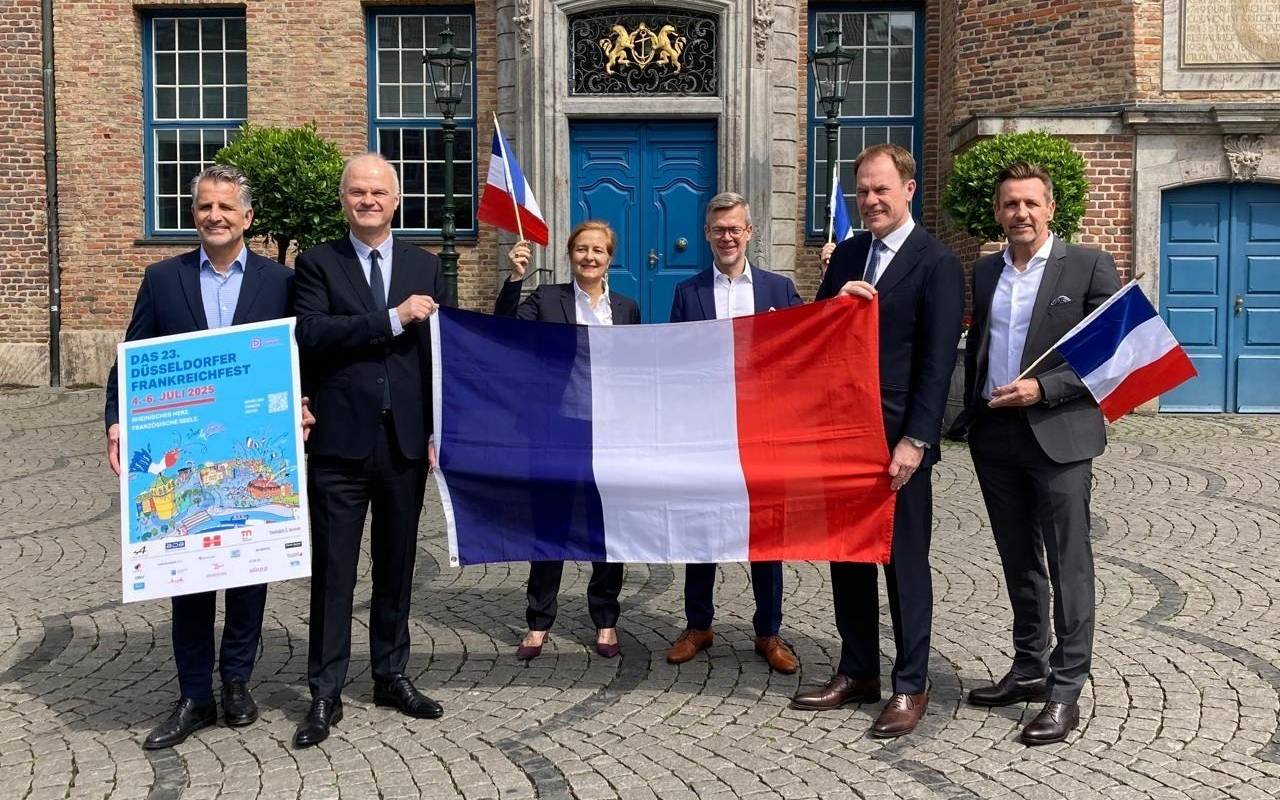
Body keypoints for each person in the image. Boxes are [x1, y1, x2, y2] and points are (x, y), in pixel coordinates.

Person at [104, 165, 308, 749]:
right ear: (193, 215)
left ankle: (237, 681)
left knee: (250, 570)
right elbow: (133, 359)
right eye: (204, 207)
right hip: (188, 456)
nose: (214, 216)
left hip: (249, 456)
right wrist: (117, 420)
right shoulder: (163, 279)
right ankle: (195, 693)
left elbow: (300, 358)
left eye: (225, 207)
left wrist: (305, 401)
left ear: (247, 218)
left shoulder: (279, 282)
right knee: (186, 574)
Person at [792, 144, 963, 737]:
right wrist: (834, 299)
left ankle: (910, 684)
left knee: (904, 564)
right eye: (863, 191)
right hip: (844, 435)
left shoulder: (936, 262)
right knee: (848, 556)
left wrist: (917, 439)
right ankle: (858, 668)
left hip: (898, 443)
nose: (870, 201)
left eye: (881, 190)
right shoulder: (849, 256)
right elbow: (816, 335)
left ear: (908, 190)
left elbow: (938, 365)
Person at [958, 161, 1121, 745]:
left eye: (1030, 203)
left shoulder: (1087, 265)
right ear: (998, 212)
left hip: (1059, 433)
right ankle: (1029, 667)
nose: (1020, 213)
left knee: (1068, 561)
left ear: (1050, 207)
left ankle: (1066, 685)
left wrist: (1044, 388)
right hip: (996, 435)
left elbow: (1113, 351)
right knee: (1017, 558)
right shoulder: (983, 271)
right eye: (1009, 204)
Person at [292, 153, 448, 748]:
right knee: (334, 571)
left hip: (404, 442)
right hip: (340, 441)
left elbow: (438, 352)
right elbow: (311, 333)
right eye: (358, 192)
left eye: (379, 192)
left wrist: (440, 428)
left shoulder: (423, 265)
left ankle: (390, 673)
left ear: (397, 199)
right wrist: (390, 318)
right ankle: (325, 691)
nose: (368, 201)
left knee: (396, 566)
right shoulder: (316, 263)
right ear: (344, 200)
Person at [664, 192, 804, 675]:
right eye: (718, 229)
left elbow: (803, 350)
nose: (727, 236)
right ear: (707, 235)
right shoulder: (688, 292)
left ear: (749, 233)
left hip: (764, 428)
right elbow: (674, 360)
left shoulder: (779, 290)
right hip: (707, 429)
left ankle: (769, 630)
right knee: (702, 528)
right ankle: (698, 624)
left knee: (766, 530)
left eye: (735, 228)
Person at [494, 221, 640, 661]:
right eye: (582, 249)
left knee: (605, 529)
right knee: (549, 527)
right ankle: (538, 622)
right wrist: (515, 279)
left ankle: (606, 620)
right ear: (570, 255)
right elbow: (506, 334)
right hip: (557, 431)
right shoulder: (546, 299)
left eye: (598, 250)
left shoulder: (627, 308)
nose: (590, 257)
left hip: (610, 433)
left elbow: (640, 367)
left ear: (610, 258)